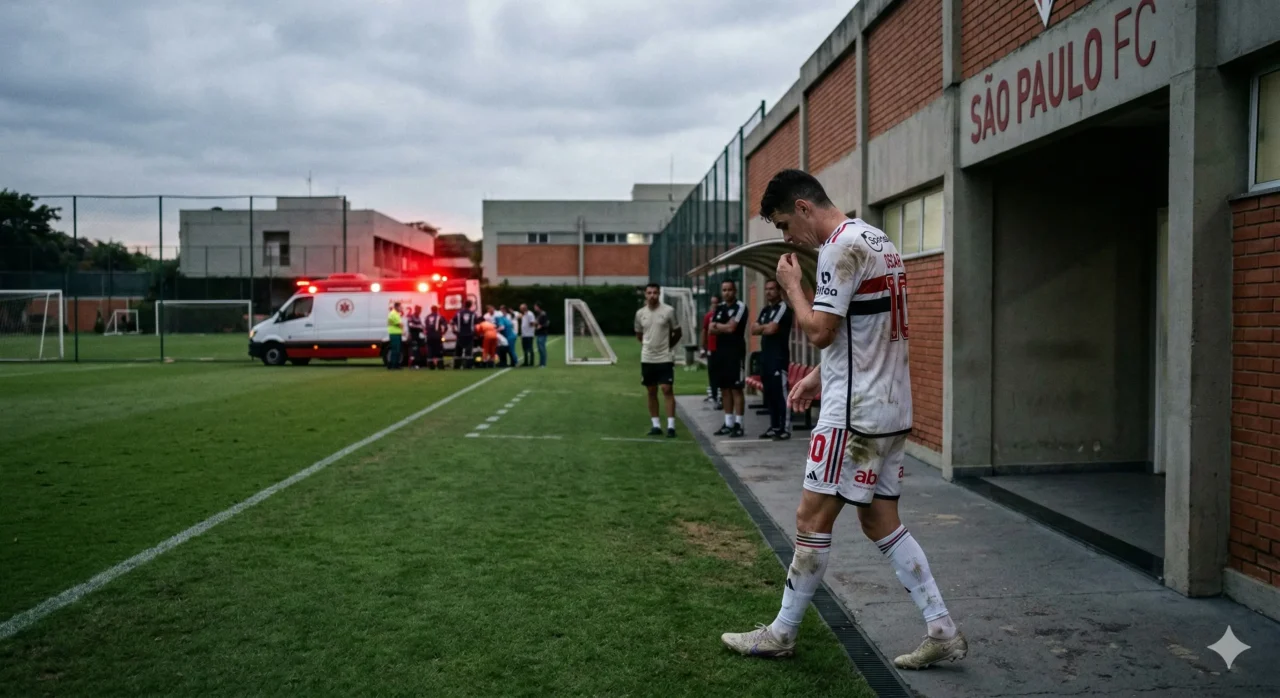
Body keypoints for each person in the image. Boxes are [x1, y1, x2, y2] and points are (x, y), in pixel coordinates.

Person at [720, 169, 966, 669]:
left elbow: (821, 330)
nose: (788, 238)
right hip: (891, 407)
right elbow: (863, 329)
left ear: (804, 208)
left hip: (853, 416)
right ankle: (942, 629)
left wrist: (792, 286)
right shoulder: (878, 240)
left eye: (785, 224)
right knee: (879, 520)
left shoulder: (838, 248)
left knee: (811, 519)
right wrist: (818, 375)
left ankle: (781, 633)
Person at [635, 283, 682, 438]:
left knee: (667, 389)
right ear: (645, 294)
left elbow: (677, 332)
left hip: (664, 357)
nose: (652, 295)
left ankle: (671, 426)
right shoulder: (640, 313)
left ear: (659, 294)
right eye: (649, 293)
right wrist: (648, 346)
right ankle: (655, 425)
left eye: (655, 292)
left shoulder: (668, 311)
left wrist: (668, 347)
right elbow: (639, 334)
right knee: (651, 390)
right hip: (647, 357)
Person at [751, 279, 794, 440]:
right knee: (770, 394)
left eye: (772, 289)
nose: (768, 292)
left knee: (781, 394)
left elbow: (772, 329)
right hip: (766, 358)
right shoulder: (765, 310)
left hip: (778, 358)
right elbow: (753, 329)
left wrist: (763, 328)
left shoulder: (783, 308)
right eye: (766, 289)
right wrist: (765, 327)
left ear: (779, 291)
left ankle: (785, 428)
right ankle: (774, 426)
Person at [708, 281, 747, 437]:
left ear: (735, 291)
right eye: (724, 290)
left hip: (736, 353)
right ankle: (728, 422)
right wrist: (723, 327)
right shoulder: (719, 308)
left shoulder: (740, 307)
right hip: (721, 353)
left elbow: (732, 328)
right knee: (724, 388)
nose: (727, 292)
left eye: (730, 290)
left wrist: (719, 326)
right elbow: (711, 329)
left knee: (736, 388)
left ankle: (739, 424)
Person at [701, 296, 720, 407]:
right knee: (712, 372)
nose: (714, 305)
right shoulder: (708, 316)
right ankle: (714, 394)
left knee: (721, 372)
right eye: (713, 303)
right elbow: (704, 330)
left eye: (716, 302)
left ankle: (721, 395)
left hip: (722, 349)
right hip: (711, 348)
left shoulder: (724, 315)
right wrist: (703, 346)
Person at [452, 300, 477, 369]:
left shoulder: (458, 313)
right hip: (469, 334)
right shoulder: (473, 314)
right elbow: (476, 325)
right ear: (471, 305)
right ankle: (468, 365)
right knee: (468, 351)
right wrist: (475, 333)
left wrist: (454, 331)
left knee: (458, 351)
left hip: (460, 334)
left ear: (464, 304)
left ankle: (457, 366)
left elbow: (452, 322)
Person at [424, 305, 447, 370]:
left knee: (430, 351)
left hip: (429, 336)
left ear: (431, 310)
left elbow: (425, 326)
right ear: (437, 310)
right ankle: (440, 365)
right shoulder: (440, 317)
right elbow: (445, 326)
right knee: (439, 351)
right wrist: (443, 333)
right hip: (437, 336)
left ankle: (431, 366)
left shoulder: (427, 317)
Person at [386, 302, 404, 370]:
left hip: (397, 333)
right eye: (400, 307)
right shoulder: (393, 313)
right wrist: (401, 327)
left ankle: (396, 364)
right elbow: (397, 323)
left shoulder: (396, 313)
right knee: (395, 349)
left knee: (397, 350)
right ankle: (392, 365)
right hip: (394, 333)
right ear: (396, 307)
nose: (401, 308)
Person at [534, 302, 550, 367]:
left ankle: (543, 363)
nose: (534, 308)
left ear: (538, 307)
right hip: (539, 333)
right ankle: (541, 362)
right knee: (539, 348)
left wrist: (541, 326)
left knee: (542, 348)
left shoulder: (543, 314)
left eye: (535, 307)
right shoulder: (538, 314)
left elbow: (547, 323)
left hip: (543, 333)